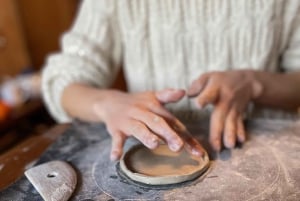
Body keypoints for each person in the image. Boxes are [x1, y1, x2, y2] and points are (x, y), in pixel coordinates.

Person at [42, 0, 300, 161]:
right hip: (155, 154)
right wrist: (107, 103)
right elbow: (64, 78)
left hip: (270, 152)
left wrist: (253, 83)